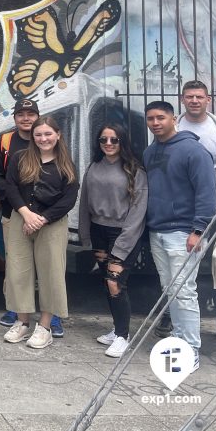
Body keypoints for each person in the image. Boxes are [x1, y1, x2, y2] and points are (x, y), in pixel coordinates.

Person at [143, 100, 216, 371]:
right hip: (158, 231)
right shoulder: (150, 152)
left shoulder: (195, 151)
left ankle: (191, 348)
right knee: (171, 290)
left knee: (184, 292)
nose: (155, 123)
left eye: (161, 117)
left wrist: (199, 230)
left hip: (185, 233)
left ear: (174, 118)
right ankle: (179, 338)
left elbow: (207, 193)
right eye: (151, 118)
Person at [173, 80, 216, 347]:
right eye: (189, 96)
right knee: (178, 265)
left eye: (199, 97)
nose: (194, 101)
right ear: (183, 99)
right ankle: (171, 317)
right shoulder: (173, 126)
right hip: (181, 207)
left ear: (208, 99)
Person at [1, 115, 78, 349]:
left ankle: (44, 327)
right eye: (38, 135)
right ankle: (22, 322)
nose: (43, 138)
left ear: (57, 135)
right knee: (17, 271)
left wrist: (42, 219)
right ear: (32, 137)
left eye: (47, 134)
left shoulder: (66, 164)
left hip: (52, 223)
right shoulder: (20, 158)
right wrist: (27, 214)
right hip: (21, 219)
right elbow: (10, 187)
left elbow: (69, 199)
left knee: (51, 274)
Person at [0, 100, 66, 337]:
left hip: (47, 220)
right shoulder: (4, 143)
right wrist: (20, 207)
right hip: (14, 216)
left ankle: (50, 319)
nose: (26, 118)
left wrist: (40, 216)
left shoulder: (56, 147)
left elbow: (68, 187)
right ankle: (16, 313)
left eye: (31, 114)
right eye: (21, 114)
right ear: (14, 118)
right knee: (17, 267)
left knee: (49, 268)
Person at [78, 123, 148, 358]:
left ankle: (123, 336)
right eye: (103, 140)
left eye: (114, 140)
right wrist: (85, 234)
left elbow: (138, 211)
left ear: (122, 142)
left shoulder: (134, 169)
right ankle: (117, 330)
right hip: (99, 231)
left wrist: (124, 242)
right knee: (106, 281)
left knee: (115, 282)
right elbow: (85, 202)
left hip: (123, 233)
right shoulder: (94, 166)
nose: (108, 144)